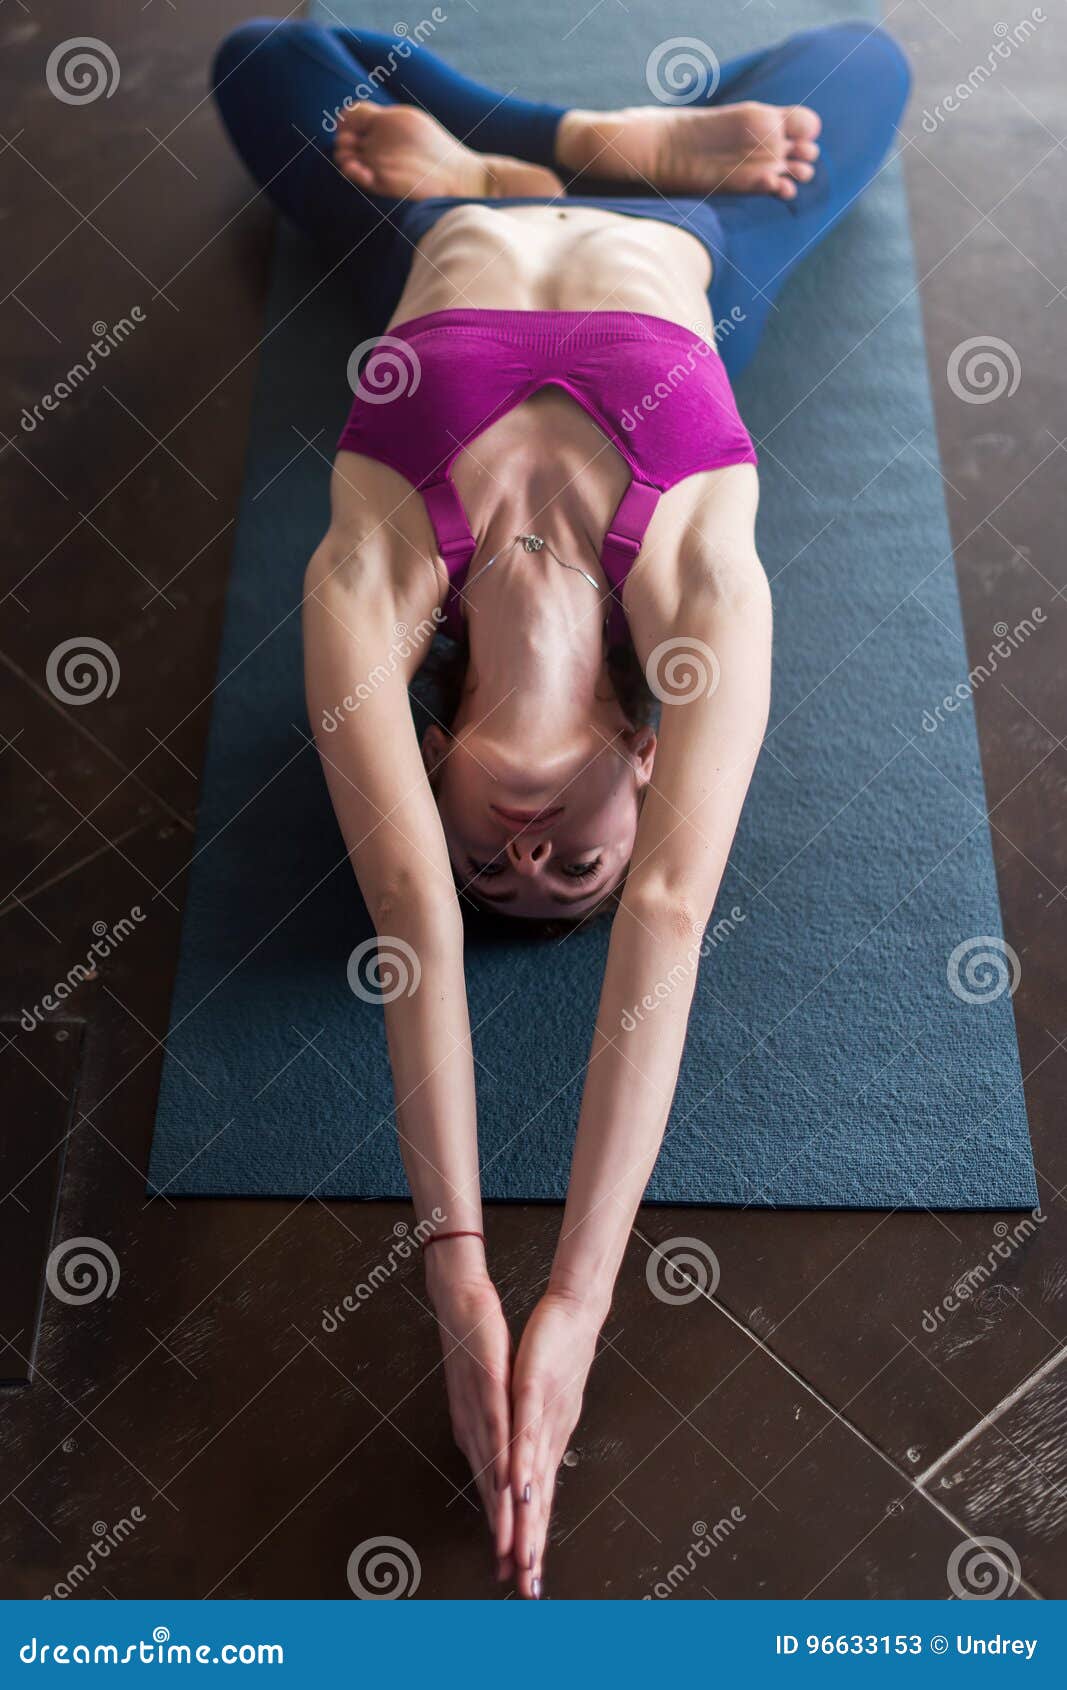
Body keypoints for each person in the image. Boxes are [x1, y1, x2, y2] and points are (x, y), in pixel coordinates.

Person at [212, 14, 910, 1597]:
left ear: (434, 751)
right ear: (642, 767)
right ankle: (602, 147)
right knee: (863, 66)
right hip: (687, 250)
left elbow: (414, 932)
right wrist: (575, 1303)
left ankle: (523, 158)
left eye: (494, 865)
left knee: (268, 60)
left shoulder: (377, 580)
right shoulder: (693, 581)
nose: (525, 858)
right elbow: (667, 917)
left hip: (446, 228)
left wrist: (463, 1281)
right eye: (566, 867)